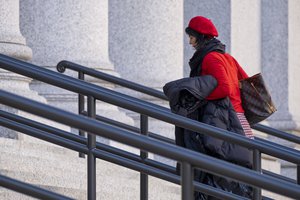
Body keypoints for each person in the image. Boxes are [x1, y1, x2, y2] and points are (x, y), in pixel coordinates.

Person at [163, 16, 254, 199]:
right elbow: (244, 82)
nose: (190, 41)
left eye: (191, 36)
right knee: (235, 170)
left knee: (221, 170)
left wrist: (199, 98)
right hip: (238, 117)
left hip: (228, 119)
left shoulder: (210, 57)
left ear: (200, 36)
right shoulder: (226, 57)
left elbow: (225, 88)